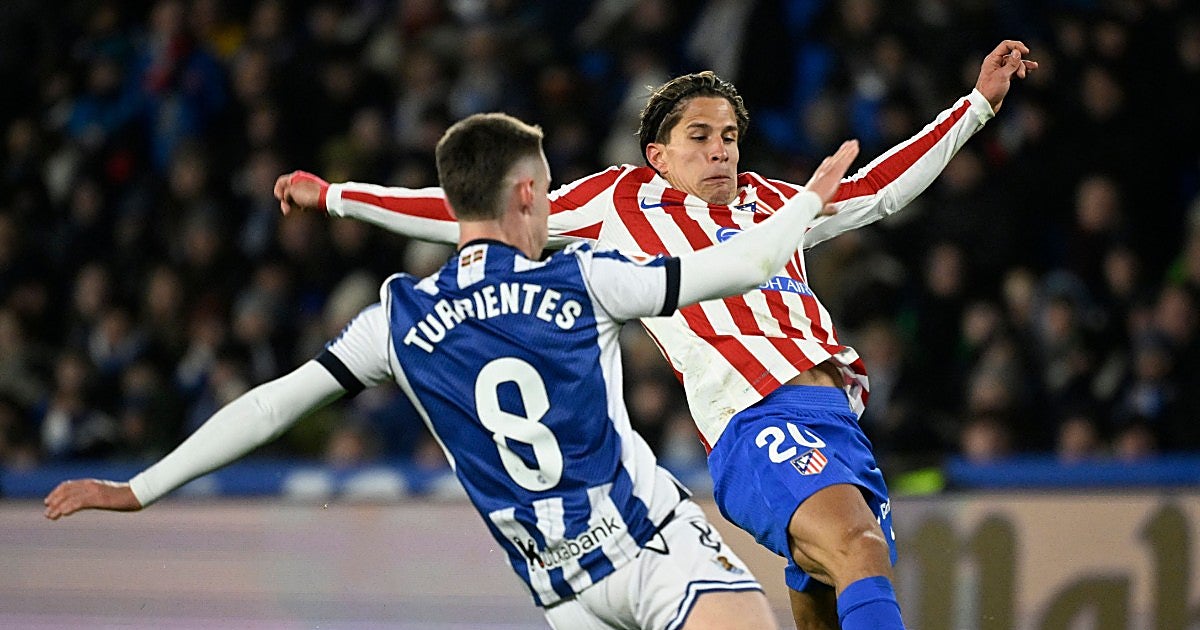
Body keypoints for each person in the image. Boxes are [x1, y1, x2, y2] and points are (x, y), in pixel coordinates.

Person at [273, 41, 1037, 630]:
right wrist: (338, 196)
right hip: (755, 420)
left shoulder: (775, 202)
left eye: (730, 135)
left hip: (836, 421)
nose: (721, 149)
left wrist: (977, 104)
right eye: (700, 136)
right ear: (657, 156)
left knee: (834, 600)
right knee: (860, 550)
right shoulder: (619, 203)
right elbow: (478, 212)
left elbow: (877, 190)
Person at [46, 112, 862, 629]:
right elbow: (745, 264)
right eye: (548, 192)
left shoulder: (395, 320)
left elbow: (269, 406)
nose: (555, 207)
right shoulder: (583, 280)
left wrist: (138, 488)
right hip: (651, 545)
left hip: (560, 586)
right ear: (526, 195)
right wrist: (807, 200)